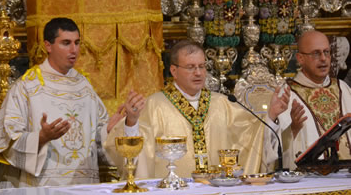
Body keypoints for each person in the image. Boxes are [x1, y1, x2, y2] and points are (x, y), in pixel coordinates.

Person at [105, 39, 279, 179]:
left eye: (202, 66)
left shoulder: (223, 103)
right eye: (190, 67)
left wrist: (271, 115)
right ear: (174, 70)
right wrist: (131, 122)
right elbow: (132, 155)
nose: (198, 73)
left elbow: (252, 136)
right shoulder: (154, 105)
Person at [0, 17, 123, 187]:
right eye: (66, 43)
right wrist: (40, 138)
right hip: (43, 188)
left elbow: (95, 141)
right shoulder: (27, 86)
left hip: (82, 186)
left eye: (77, 43)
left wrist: (109, 130)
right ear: (48, 45)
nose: (73, 50)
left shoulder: (84, 86)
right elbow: (7, 140)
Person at [265, 30, 351, 170]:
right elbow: (272, 153)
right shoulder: (287, 94)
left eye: (326, 52)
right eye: (316, 53)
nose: (323, 58)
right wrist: (291, 131)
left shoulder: (343, 89)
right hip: (309, 178)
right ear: (300, 58)